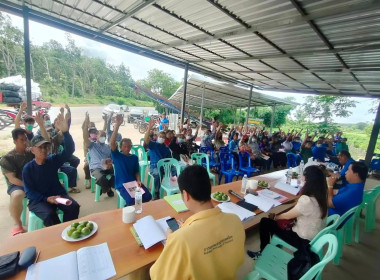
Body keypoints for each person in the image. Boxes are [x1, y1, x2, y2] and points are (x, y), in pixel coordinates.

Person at [150, 165, 245, 279]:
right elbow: (239, 260)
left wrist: (170, 242)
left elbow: (159, 276)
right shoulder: (235, 220)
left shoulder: (180, 240)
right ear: (209, 186)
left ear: (185, 195)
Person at [247, 165, 328, 259]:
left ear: (307, 179)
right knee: (275, 223)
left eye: (303, 175)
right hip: (314, 237)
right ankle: (275, 247)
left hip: (302, 240)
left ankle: (263, 253)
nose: (302, 177)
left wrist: (274, 217)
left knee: (266, 222)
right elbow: (297, 210)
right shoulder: (322, 196)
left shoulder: (307, 200)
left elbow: (286, 216)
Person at [22, 112, 80, 227]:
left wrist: (66, 133)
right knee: (49, 214)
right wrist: (46, 198)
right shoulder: (28, 168)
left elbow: (69, 150)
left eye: (45, 147)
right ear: (33, 150)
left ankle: (67, 229)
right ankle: (58, 234)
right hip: (39, 200)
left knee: (73, 206)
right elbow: (29, 192)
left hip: (57, 196)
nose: (43, 150)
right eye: (40, 147)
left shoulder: (52, 160)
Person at [110, 115, 152, 206]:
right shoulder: (117, 156)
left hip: (134, 183)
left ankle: (139, 210)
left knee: (148, 196)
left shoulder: (134, 157)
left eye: (129, 146)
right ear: (120, 147)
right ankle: (129, 212)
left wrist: (138, 180)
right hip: (122, 185)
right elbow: (112, 143)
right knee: (131, 200)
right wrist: (117, 125)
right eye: (124, 146)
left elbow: (136, 171)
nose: (127, 148)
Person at [0, 128, 34, 235]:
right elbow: (12, 179)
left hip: (33, 182)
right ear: (14, 141)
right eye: (21, 140)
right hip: (18, 185)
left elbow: (48, 148)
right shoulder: (7, 158)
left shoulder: (30, 152)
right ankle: (17, 224)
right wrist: (29, 186)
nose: (25, 142)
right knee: (17, 195)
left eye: (26, 139)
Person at [144, 118, 171, 199]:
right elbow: (146, 140)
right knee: (158, 175)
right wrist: (149, 128)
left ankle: (173, 188)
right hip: (154, 166)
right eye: (160, 136)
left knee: (175, 171)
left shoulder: (166, 148)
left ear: (165, 139)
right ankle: (156, 191)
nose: (161, 138)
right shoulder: (153, 144)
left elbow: (169, 160)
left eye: (163, 137)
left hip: (164, 167)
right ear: (157, 136)